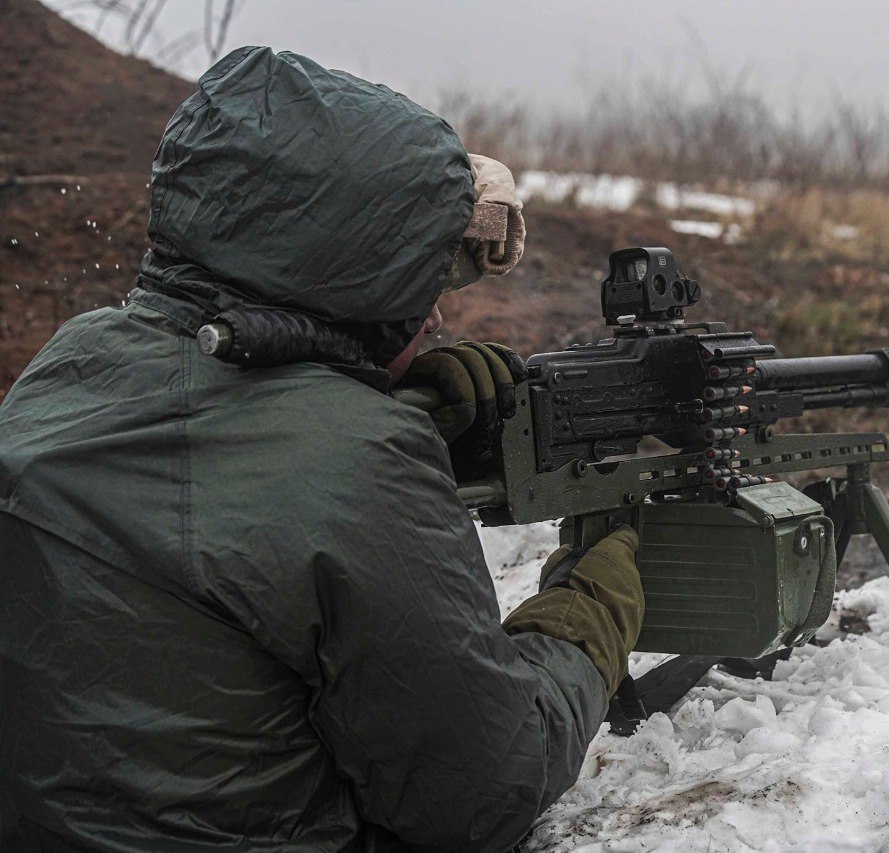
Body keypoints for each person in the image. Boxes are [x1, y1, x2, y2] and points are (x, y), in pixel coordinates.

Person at [0, 46, 643, 851]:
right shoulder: (359, 458)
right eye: (418, 289)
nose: (438, 321)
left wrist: (372, 391)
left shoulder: (73, 358)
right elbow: (485, 790)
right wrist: (585, 619)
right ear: (354, 286)